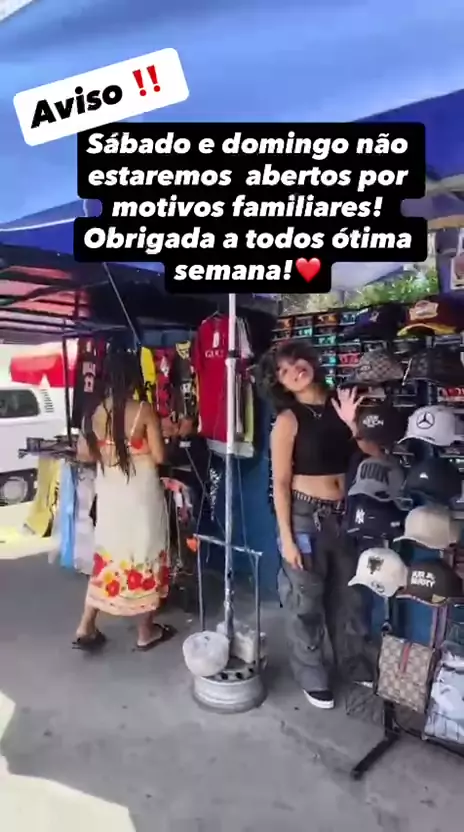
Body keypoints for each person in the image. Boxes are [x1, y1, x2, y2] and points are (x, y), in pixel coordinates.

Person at [259, 340, 371, 709]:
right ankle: (312, 675)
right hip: (305, 518)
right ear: (279, 382)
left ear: (311, 361)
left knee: (350, 596)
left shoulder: (342, 403)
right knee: (305, 602)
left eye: (297, 362)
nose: (294, 371)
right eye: (283, 370)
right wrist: (287, 539)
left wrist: (353, 424)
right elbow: (279, 483)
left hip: (345, 515)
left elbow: (376, 453)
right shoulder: (288, 420)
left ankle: (352, 663)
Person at [73, 349, 175, 651]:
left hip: (110, 495)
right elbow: (159, 456)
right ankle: (145, 632)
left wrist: (110, 451)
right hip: (140, 496)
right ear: (134, 378)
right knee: (146, 554)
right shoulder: (143, 410)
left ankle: (85, 626)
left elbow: (84, 454)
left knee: (108, 557)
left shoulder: (95, 411)